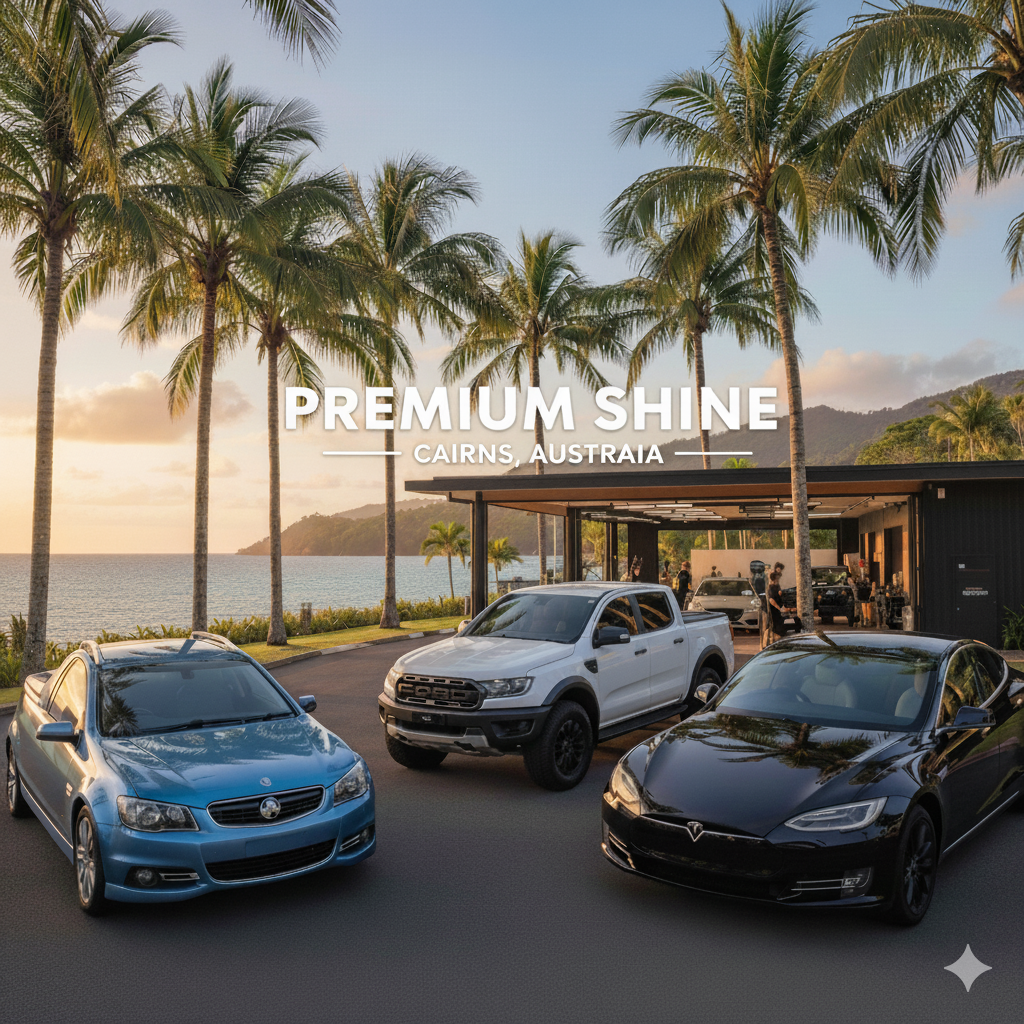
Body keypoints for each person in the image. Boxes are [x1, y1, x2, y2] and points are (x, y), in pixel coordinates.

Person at [767, 570, 802, 638]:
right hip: (775, 610)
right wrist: (780, 609)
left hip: (779, 608)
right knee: (780, 626)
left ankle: (796, 626)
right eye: (777, 578)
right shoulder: (771, 587)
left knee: (792, 619)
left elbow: (780, 596)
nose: (778, 579)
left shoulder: (777, 586)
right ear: (774, 579)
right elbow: (771, 600)